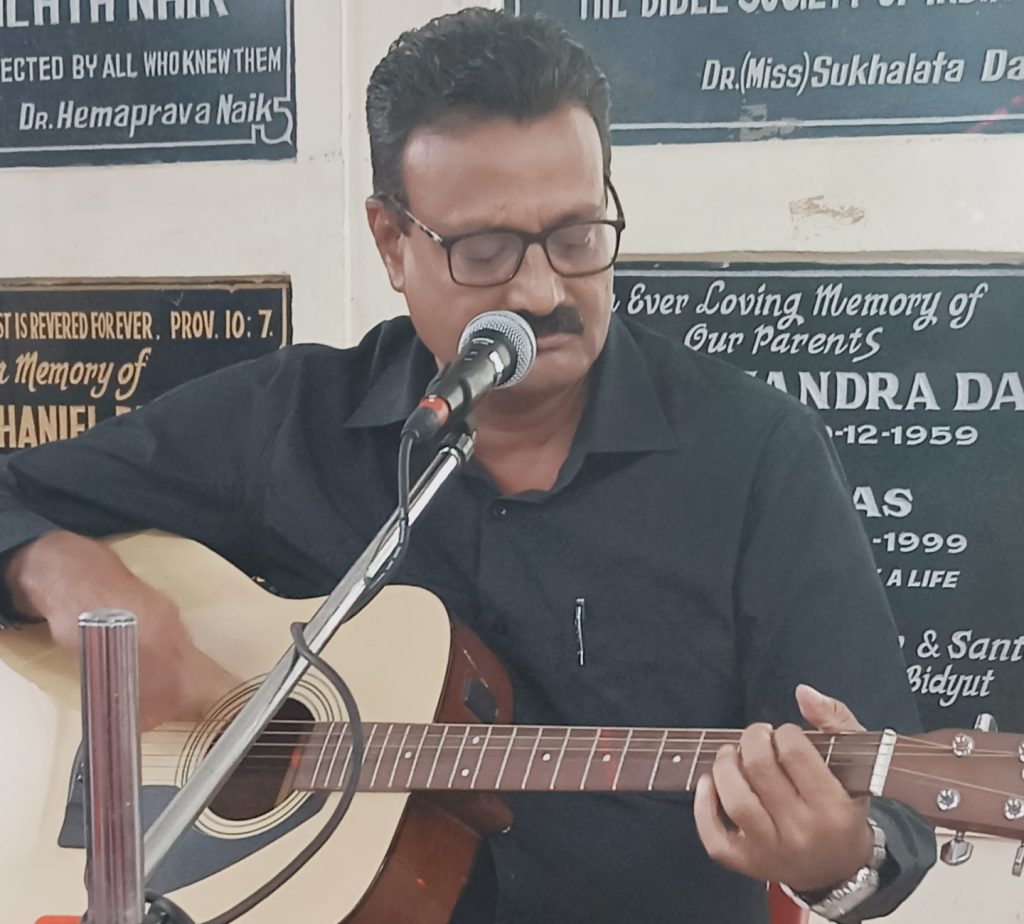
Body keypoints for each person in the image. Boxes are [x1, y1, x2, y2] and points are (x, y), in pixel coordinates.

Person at [0, 8, 934, 923]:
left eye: (577, 236)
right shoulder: (288, 422)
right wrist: (65, 573)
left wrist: (838, 862)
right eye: (486, 252)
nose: (541, 290)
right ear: (391, 242)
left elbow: (889, 805)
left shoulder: (754, 452)